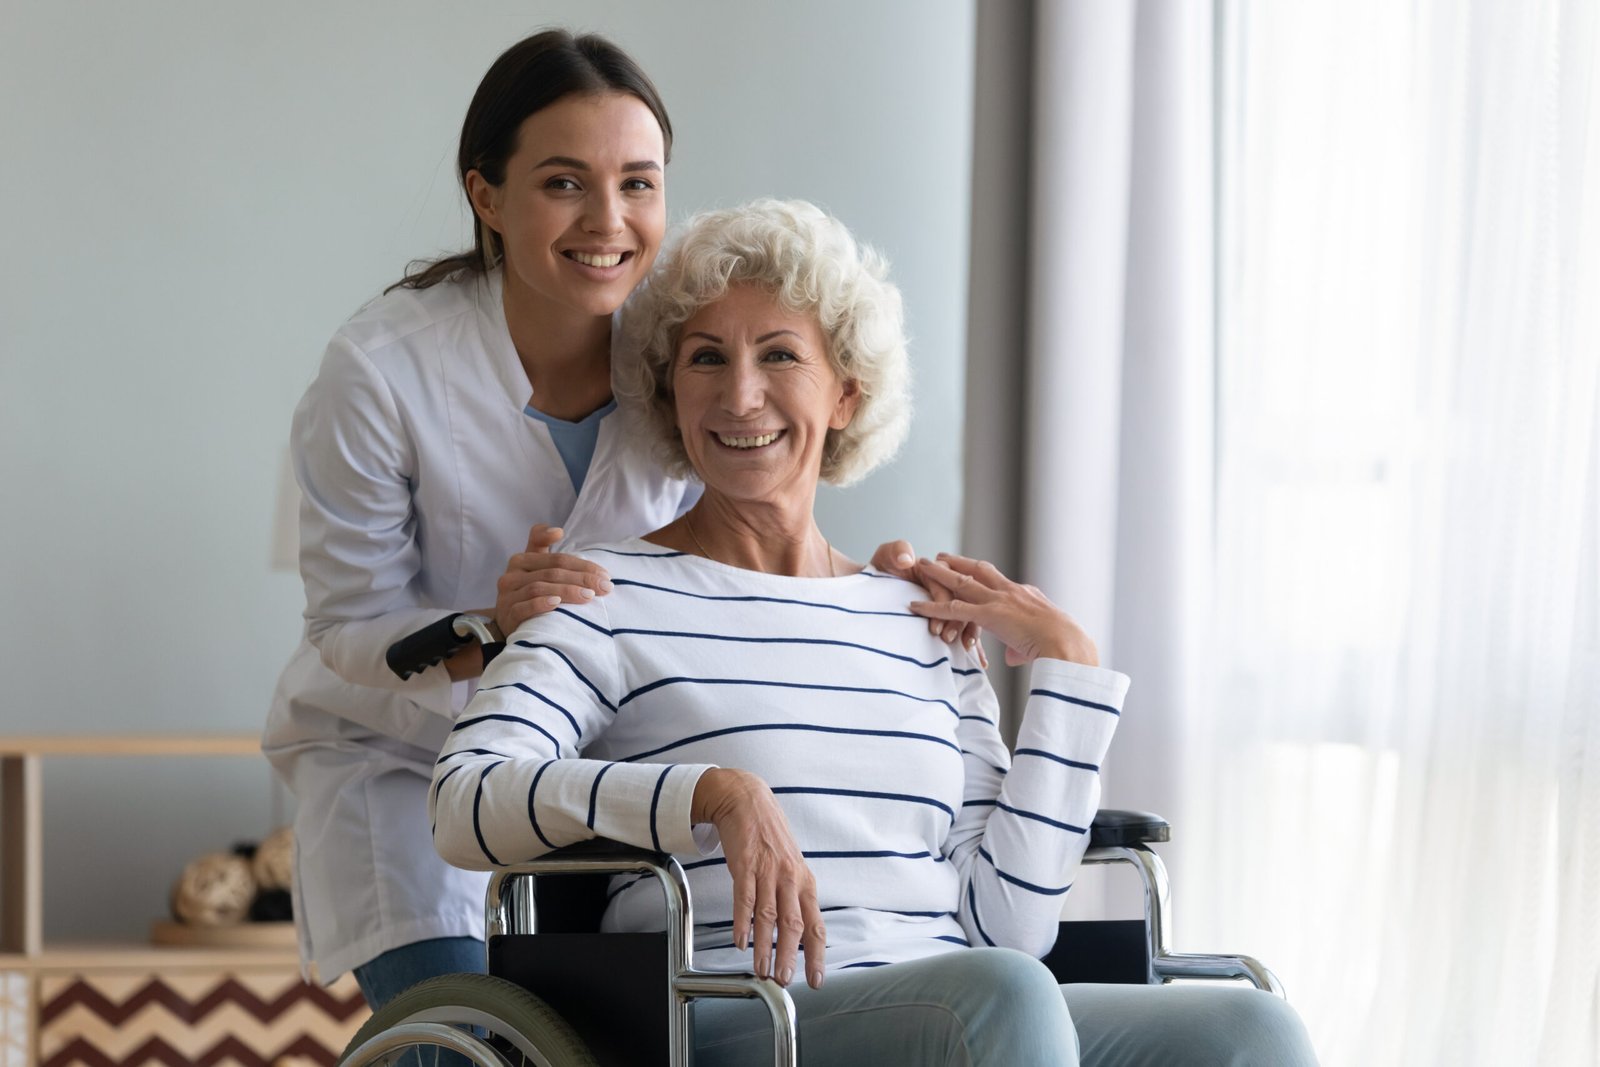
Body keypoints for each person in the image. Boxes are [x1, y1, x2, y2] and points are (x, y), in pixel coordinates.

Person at [432, 199, 1318, 1065]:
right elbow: (465, 800)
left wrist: (1069, 672)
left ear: (846, 394)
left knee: (1250, 1033)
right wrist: (710, 793)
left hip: (967, 999)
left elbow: (1008, 925)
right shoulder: (607, 591)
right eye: (706, 358)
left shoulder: (917, 617)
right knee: (1001, 997)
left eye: (779, 354)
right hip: (736, 1010)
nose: (740, 395)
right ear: (670, 392)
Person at [261, 30, 956, 1014]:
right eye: (562, 183)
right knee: (470, 1026)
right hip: (405, 772)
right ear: (486, 196)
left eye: (638, 183)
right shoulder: (382, 372)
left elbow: (741, 521)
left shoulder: (683, 349)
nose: (608, 220)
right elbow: (343, 628)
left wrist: (865, 586)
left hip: (604, 768)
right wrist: (483, 631)